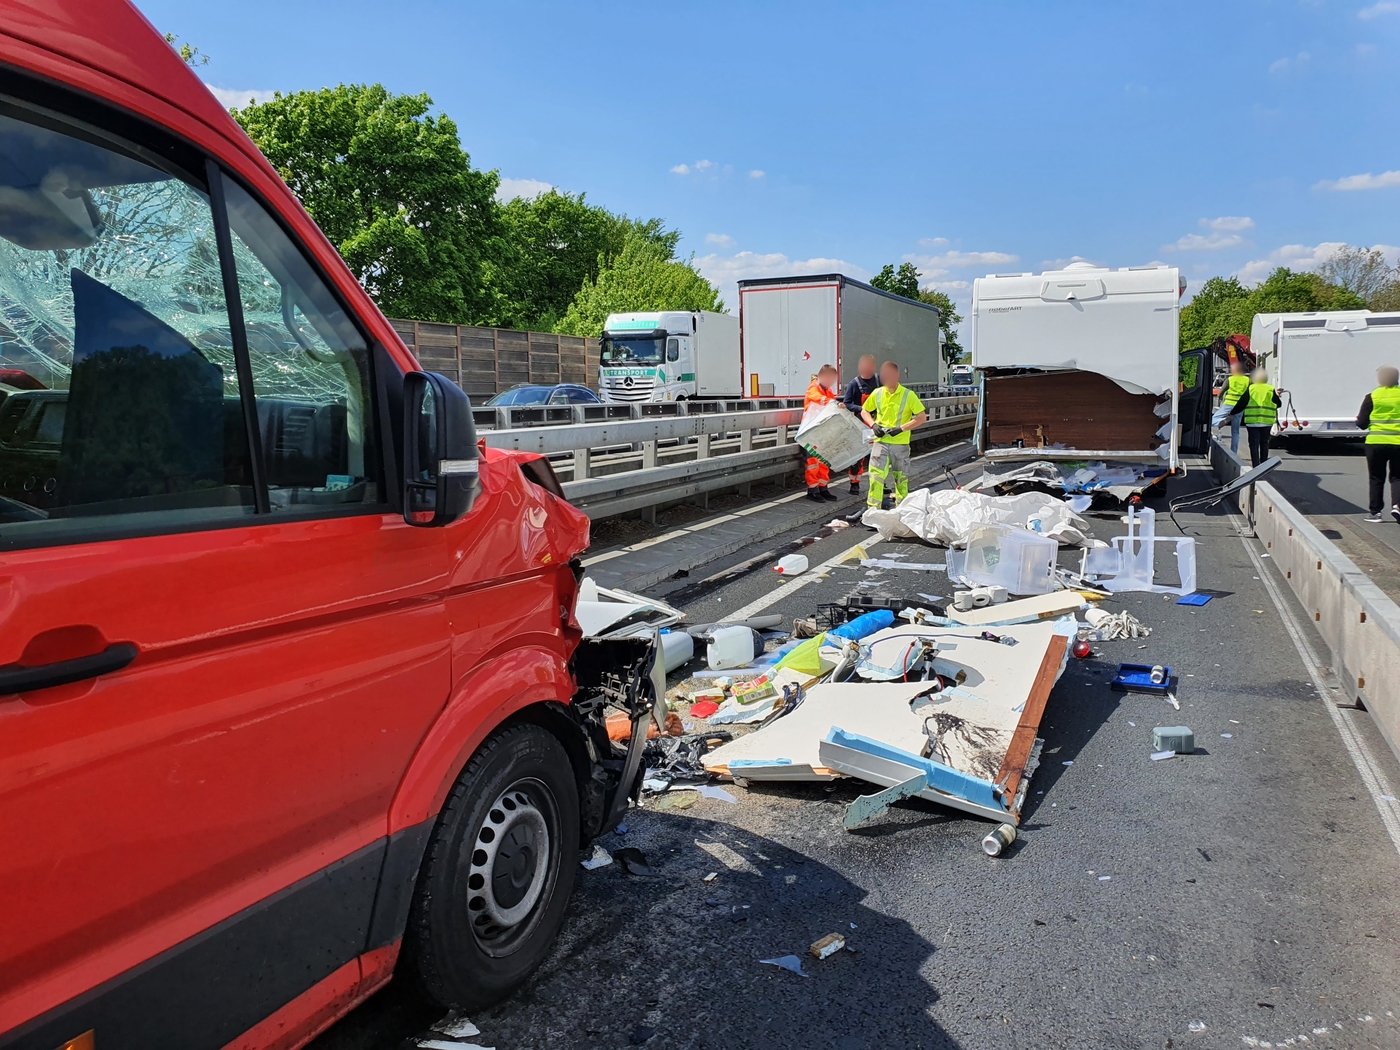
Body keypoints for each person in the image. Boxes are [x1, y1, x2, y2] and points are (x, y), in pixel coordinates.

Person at [860, 360, 929, 509]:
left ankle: (902, 510)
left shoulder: (908, 395)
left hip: (900, 443)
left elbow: (921, 417)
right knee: (875, 476)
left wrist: (901, 428)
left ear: (897, 375)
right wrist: (873, 424)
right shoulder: (877, 393)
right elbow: (864, 411)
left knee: (900, 478)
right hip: (881, 441)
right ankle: (873, 511)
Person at [1355, 364, 1400, 523]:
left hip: (1376, 443)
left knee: (1376, 477)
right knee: (1397, 477)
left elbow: (1362, 423)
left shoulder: (1372, 396)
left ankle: (1376, 513)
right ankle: (1398, 506)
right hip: (1398, 443)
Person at [1229, 366, 1281, 468]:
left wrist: (1232, 413)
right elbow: (1278, 404)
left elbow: (1242, 403)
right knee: (1264, 443)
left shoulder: (1251, 388)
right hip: (1267, 421)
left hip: (1252, 422)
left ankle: (1256, 465)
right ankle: (1264, 465)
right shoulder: (1270, 389)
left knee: (1253, 444)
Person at [802, 364, 840, 502]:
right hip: (811, 432)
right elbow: (819, 399)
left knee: (824, 461)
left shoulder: (827, 390)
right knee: (813, 462)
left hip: (822, 431)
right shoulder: (814, 388)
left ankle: (823, 487)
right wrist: (834, 403)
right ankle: (813, 490)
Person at [842, 354, 880, 495]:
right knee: (859, 456)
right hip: (861, 425)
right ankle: (855, 483)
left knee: (879, 456)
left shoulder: (878, 381)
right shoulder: (854, 384)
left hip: (877, 424)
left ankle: (879, 483)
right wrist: (861, 409)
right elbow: (847, 403)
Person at [1220, 358, 1249, 454]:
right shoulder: (1247, 380)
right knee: (1236, 431)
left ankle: (1225, 420)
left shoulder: (1230, 379)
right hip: (1240, 406)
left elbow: (1221, 391)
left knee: (1215, 421)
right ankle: (1234, 452)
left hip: (1229, 404)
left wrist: (1220, 399)